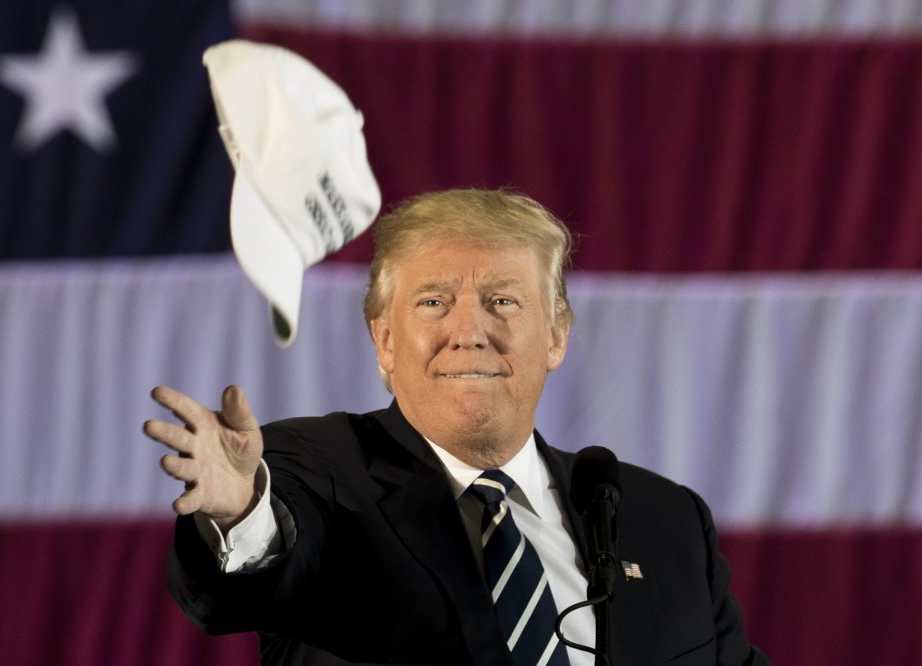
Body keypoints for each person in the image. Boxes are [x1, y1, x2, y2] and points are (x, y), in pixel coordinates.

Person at [144, 188, 769, 665]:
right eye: (434, 303)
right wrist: (243, 512)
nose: (469, 331)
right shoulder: (316, 472)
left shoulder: (667, 520)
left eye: (502, 301)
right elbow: (254, 580)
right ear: (385, 342)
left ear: (555, 336)